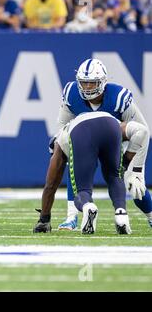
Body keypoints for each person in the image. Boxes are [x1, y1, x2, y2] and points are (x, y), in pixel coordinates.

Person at [56, 58, 152, 230]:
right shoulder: (71, 93)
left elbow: (143, 131)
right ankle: (71, 217)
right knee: (74, 164)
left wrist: (135, 167)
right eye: (84, 83)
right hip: (85, 143)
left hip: (117, 144)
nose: (87, 88)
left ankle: (150, 216)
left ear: (102, 82)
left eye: (92, 84)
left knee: (134, 184)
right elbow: (61, 128)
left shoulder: (118, 97)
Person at [34, 111, 149, 234]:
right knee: (114, 176)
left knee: (82, 191)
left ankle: (88, 206)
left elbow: (50, 186)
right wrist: (128, 163)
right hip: (110, 123)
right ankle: (121, 214)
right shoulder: (113, 121)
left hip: (81, 131)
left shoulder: (59, 141)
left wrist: (44, 220)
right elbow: (142, 131)